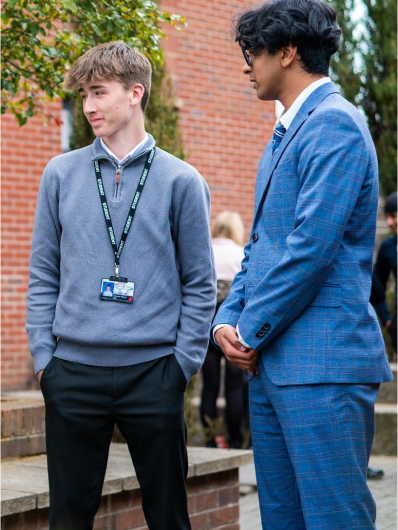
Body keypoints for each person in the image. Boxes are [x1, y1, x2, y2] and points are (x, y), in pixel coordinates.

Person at [212, 1, 393, 528]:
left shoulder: (334, 125)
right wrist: (226, 321)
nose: (247, 66)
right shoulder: (285, 134)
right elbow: (262, 246)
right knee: (282, 519)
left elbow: (309, 251)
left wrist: (247, 329)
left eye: (254, 53)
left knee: (335, 518)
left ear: (287, 53)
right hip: (272, 366)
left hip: (323, 368)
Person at [26, 41, 216, 530]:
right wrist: (45, 359)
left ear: (135, 93)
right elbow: (43, 274)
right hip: (72, 372)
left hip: (154, 372)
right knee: (68, 518)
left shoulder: (182, 181)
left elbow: (199, 283)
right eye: (83, 95)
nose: (87, 106)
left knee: (169, 516)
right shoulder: (60, 174)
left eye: (98, 92)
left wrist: (182, 365)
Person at [200, 211, 246, 448]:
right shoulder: (241, 254)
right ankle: (235, 439)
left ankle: (211, 440)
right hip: (234, 325)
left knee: (209, 385)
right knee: (234, 386)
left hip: (207, 323)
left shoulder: (206, 250)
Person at [374, 192, 397, 352]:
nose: (389, 222)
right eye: (386, 216)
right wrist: (388, 322)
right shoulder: (388, 247)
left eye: (394, 216)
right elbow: (376, 286)